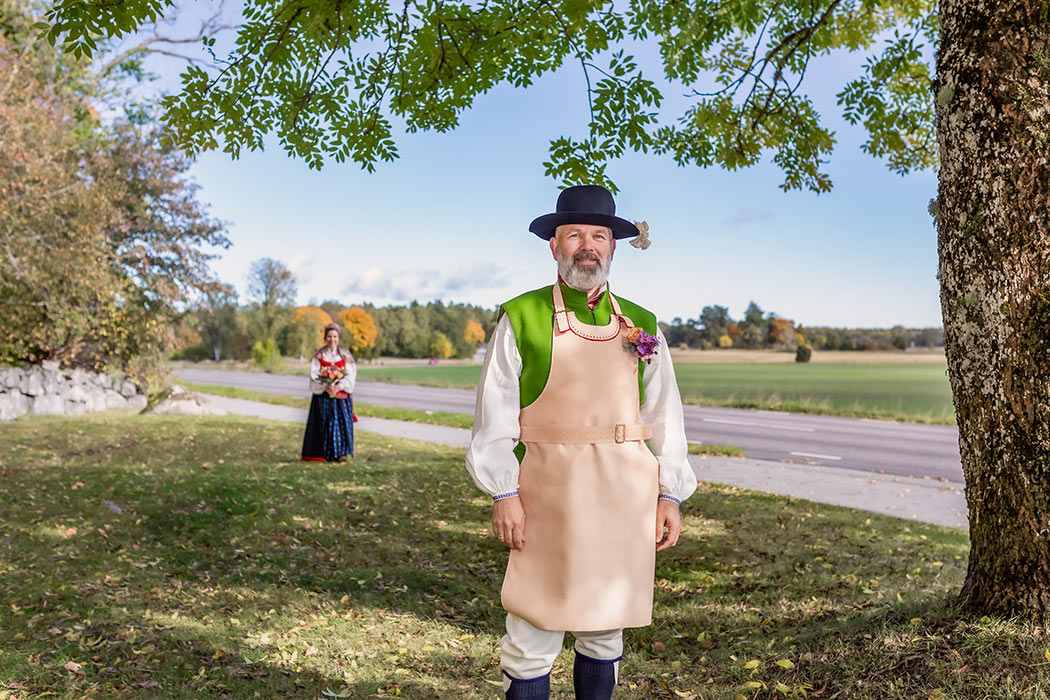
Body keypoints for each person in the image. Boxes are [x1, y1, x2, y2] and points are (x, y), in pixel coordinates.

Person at [466, 185, 697, 700]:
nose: (587, 245)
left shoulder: (643, 323)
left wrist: (670, 493)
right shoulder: (522, 317)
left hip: (623, 496)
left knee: (604, 627)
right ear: (554, 245)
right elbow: (494, 416)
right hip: (545, 495)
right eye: (574, 235)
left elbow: (665, 416)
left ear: (613, 247)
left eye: (598, 236)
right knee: (532, 628)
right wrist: (503, 493)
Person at [301, 323, 356, 462]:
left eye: (335, 336)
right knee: (324, 423)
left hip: (341, 396)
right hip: (324, 396)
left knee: (340, 423)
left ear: (338, 337)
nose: (332, 340)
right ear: (325, 337)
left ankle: (341, 454)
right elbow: (314, 375)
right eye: (329, 336)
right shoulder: (319, 355)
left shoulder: (345, 354)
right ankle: (324, 453)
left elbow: (351, 375)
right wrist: (326, 386)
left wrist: (339, 386)